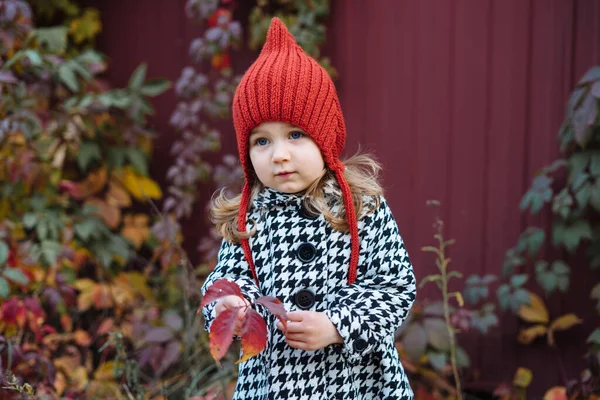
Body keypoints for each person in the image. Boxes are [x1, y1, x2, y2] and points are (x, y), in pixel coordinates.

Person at [201, 17, 416, 400]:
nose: (279, 155)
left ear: (325, 138)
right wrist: (230, 305)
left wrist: (338, 324)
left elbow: (395, 286)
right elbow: (227, 279)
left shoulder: (362, 207)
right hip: (273, 382)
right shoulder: (250, 216)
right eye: (262, 141)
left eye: (295, 135)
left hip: (356, 382)